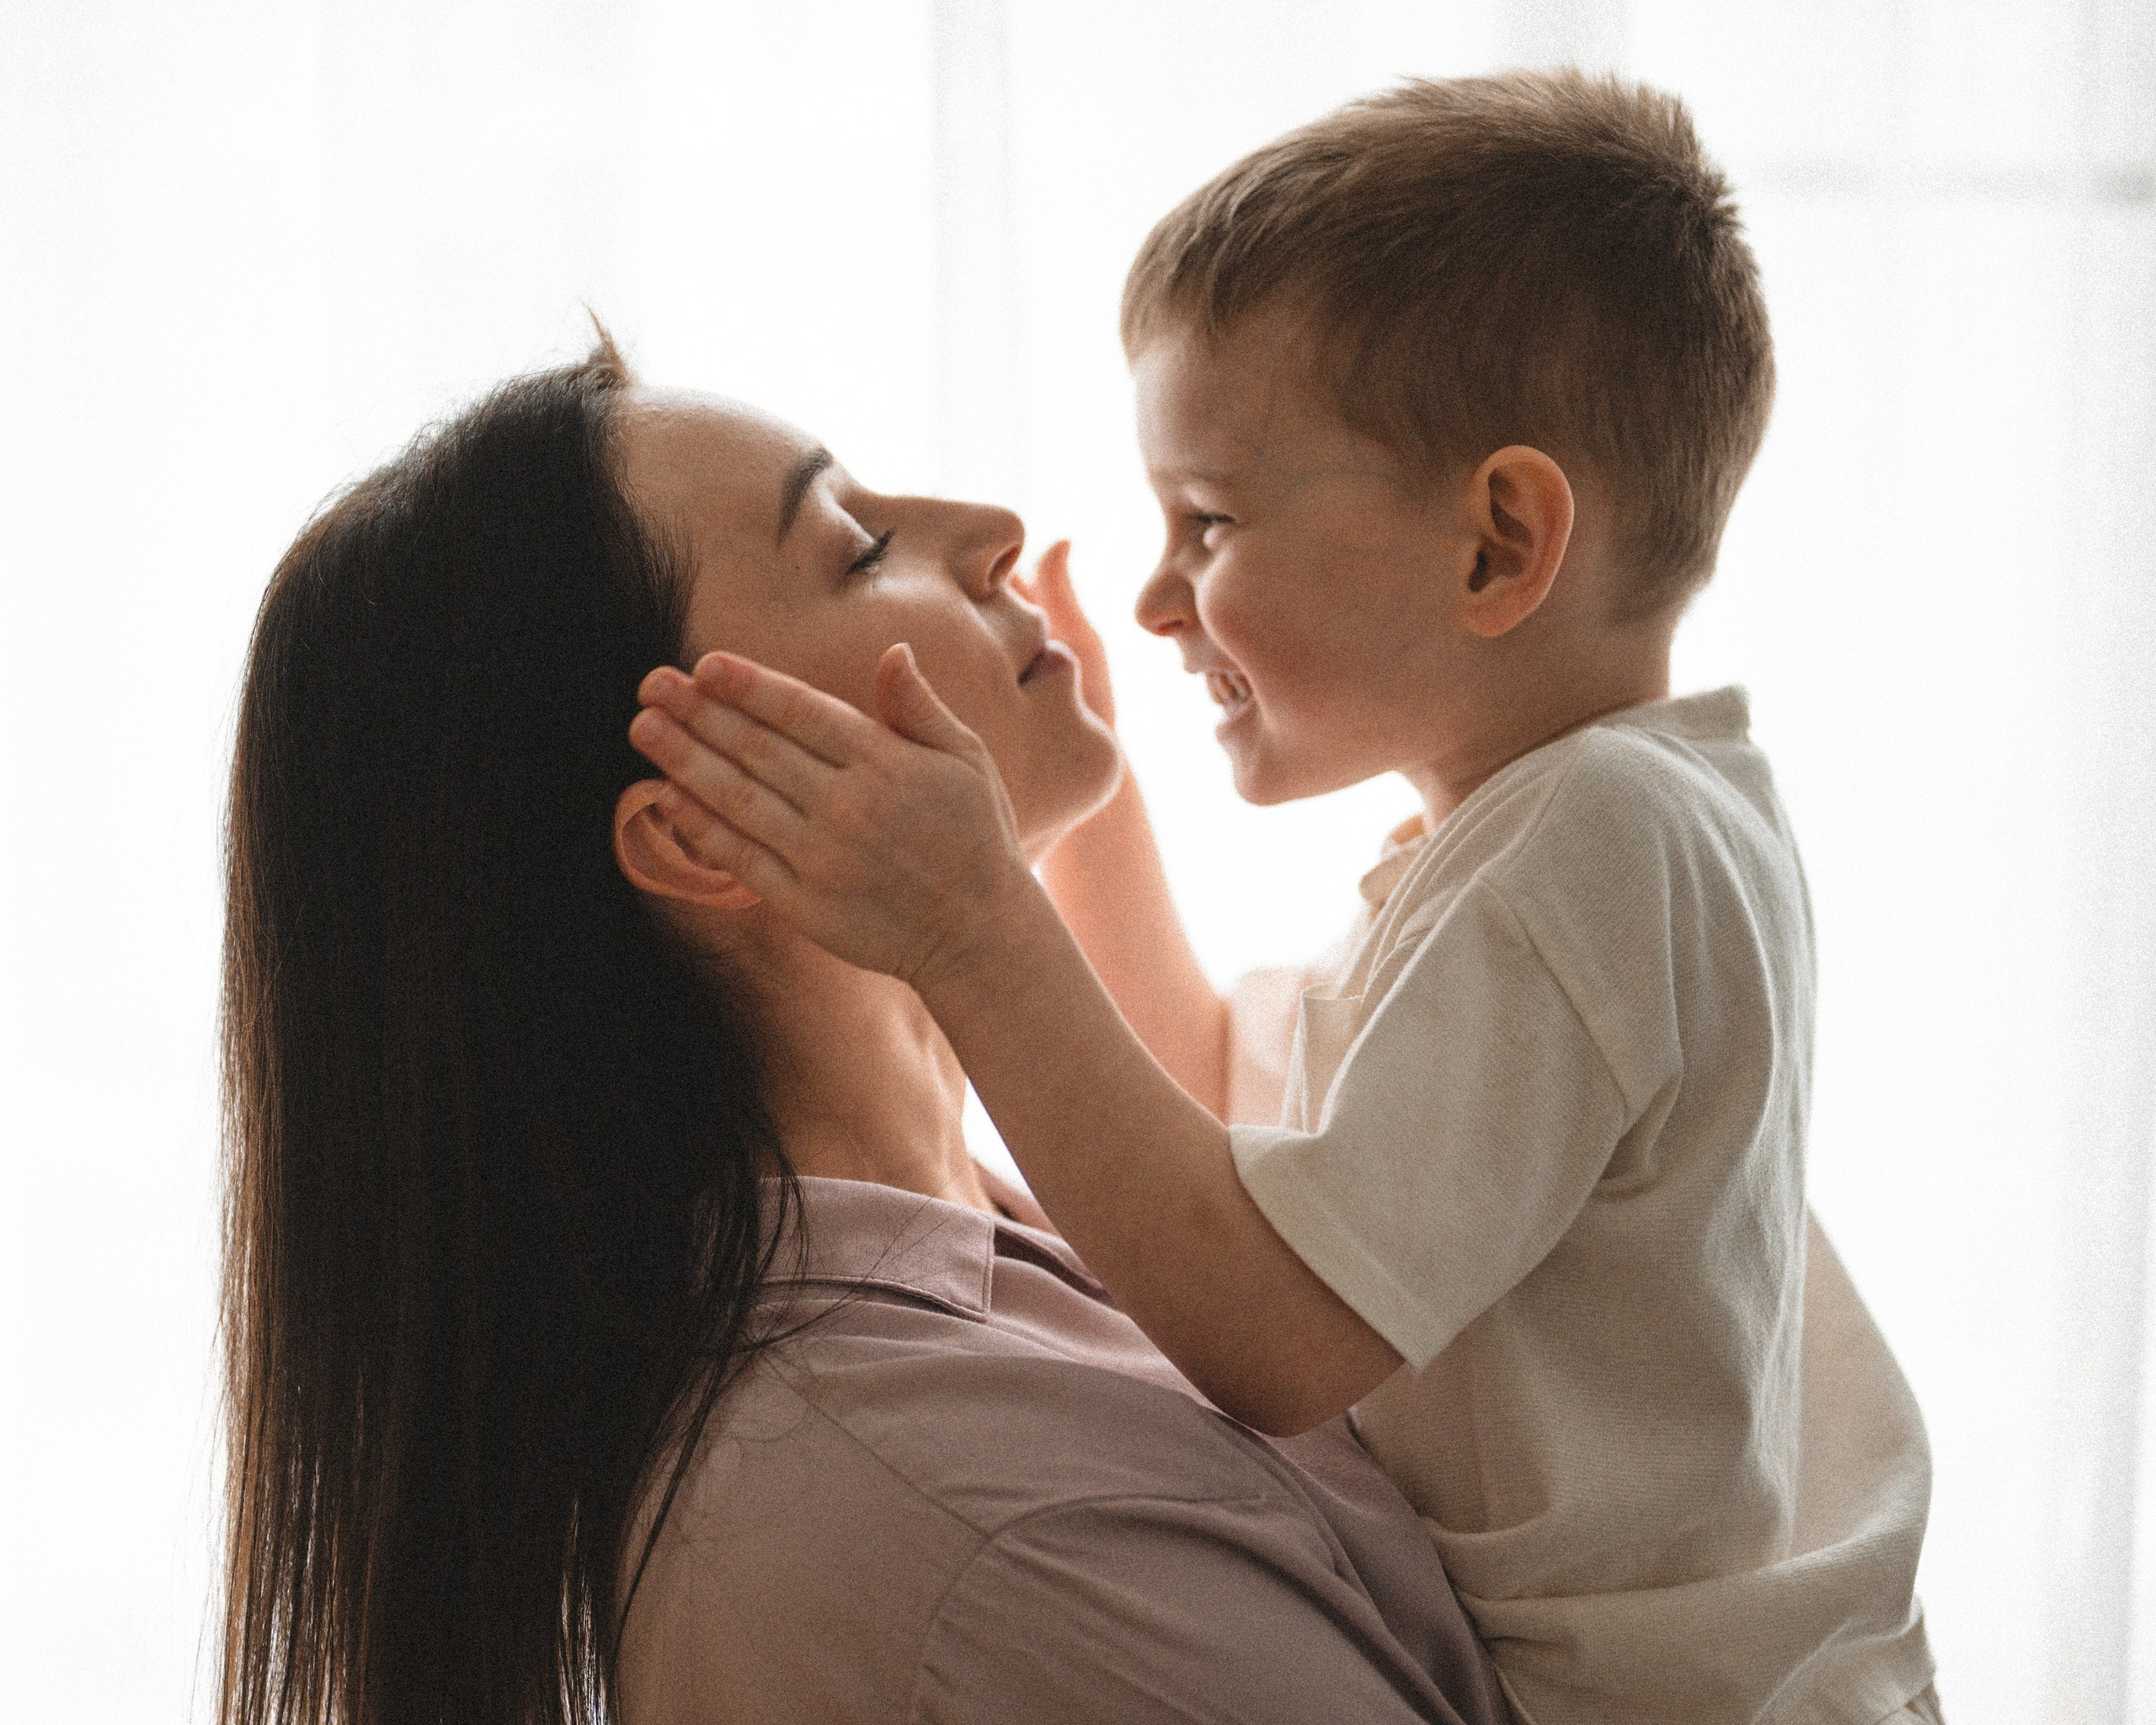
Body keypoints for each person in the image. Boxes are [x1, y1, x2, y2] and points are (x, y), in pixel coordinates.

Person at [627, 72, 1941, 1725]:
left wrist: (977, 923)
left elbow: (1270, 1327)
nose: (1160, 593)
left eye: (1212, 521)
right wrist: (1084, 818)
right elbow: (1211, 1116)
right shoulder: (1579, 836)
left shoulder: (1587, 859)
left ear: (1497, 546)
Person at [216, 336, 1511, 1725]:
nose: (997, 536)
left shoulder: (1020, 1263)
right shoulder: (969, 1537)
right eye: (854, 546)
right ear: (701, 834)